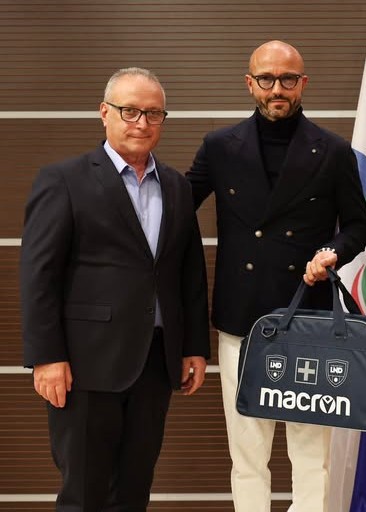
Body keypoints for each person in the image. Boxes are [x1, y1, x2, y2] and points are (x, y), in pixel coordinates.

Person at [186, 40, 366, 512]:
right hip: (241, 320)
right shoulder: (219, 147)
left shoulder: (333, 150)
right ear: (250, 83)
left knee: (310, 454)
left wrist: (332, 252)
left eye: (287, 79)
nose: (277, 89)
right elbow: (177, 205)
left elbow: (357, 226)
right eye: (266, 79)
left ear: (302, 83)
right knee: (247, 453)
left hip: (307, 317)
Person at [20, 67, 210, 511]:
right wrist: (46, 357)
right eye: (130, 111)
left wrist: (194, 347)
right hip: (85, 365)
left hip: (155, 362)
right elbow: (38, 275)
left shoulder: (177, 187)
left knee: (133, 491)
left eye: (153, 113)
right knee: (84, 493)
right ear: (104, 113)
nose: (142, 122)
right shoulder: (64, 180)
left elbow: (189, 274)